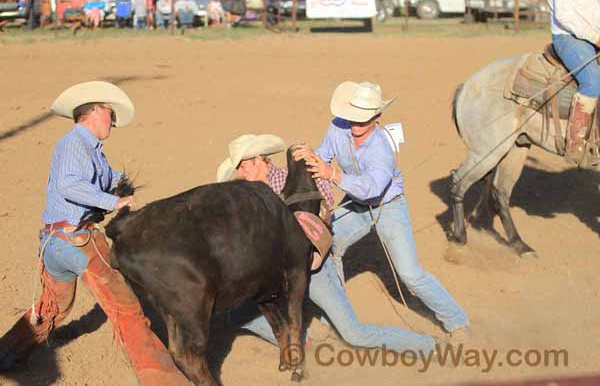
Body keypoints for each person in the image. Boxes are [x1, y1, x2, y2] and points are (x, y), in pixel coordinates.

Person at [0, 82, 189, 386]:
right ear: (96, 111)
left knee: (54, 306)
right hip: (80, 242)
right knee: (126, 308)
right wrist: (114, 201)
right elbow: (69, 185)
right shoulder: (75, 144)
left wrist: (119, 183)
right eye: (110, 114)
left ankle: (5, 355)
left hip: (54, 243)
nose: (113, 121)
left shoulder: (88, 149)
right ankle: (165, 381)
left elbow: (101, 178)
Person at [216, 134, 438, 355]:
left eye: (244, 166)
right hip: (280, 274)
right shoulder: (251, 198)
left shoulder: (291, 179)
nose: (240, 173)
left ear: (261, 160)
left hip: (315, 271)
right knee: (237, 313)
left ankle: (427, 346)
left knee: (354, 334)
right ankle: (301, 340)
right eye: (238, 168)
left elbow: (326, 204)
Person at [292, 81, 469, 338]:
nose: (354, 125)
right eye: (352, 117)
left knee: (410, 274)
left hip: (388, 206)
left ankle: (457, 321)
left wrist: (333, 175)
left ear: (377, 118)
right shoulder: (337, 127)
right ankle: (336, 317)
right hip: (356, 204)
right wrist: (312, 156)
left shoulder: (381, 148)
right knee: (328, 247)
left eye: (362, 120)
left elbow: (372, 189)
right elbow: (325, 154)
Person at [548, 0, 600, 165]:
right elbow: (565, 16)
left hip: (594, 36)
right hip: (569, 38)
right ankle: (576, 142)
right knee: (593, 82)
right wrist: (597, 37)